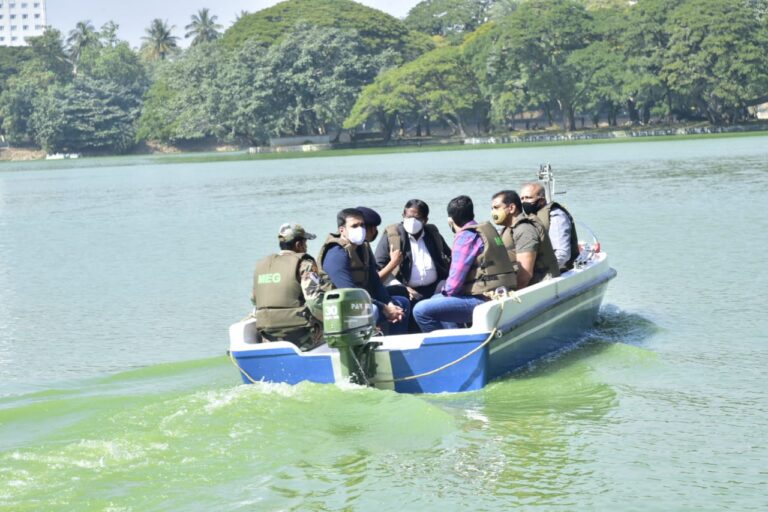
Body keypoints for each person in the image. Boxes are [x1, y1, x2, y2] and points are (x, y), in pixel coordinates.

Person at [413, 195, 517, 333]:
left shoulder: (465, 237)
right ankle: (454, 335)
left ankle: (447, 346)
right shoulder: (485, 231)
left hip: (483, 298)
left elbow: (453, 286)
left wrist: (444, 290)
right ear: (472, 214)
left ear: (450, 220)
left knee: (420, 310)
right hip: (502, 293)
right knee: (436, 299)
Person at [318, 208, 410, 335]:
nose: (360, 229)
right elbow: (350, 292)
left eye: (362, 225)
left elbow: (376, 282)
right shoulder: (336, 253)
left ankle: (396, 346)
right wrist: (384, 307)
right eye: (354, 226)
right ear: (342, 230)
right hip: (341, 307)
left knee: (401, 303)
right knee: (373, 309)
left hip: (362, 301)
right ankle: (367, 348)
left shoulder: (363, 248)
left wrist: (389, 304)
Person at [251, 223, 333, 351]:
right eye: (305, 243)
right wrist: (332, 321)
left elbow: (254, 299)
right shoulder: (305, 264)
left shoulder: (261, 265)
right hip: (303, 336)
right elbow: (314, 301)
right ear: (298, 245)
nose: (306, 247)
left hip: (269, 337)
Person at [375, 199, 451, 303]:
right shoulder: (392, 236)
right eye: (409, 217)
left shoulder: (433, 234)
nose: (412, 221)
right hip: (406, 290)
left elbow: (451, 256)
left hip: (435, 288)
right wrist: (402, 286)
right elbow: (378, 267)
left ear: (425, 220)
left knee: (449, 289)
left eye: (417, 218)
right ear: (403, 215)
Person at [491, 190, 560, 289]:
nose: (493, 212)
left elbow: (525, 276)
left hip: (538, 287)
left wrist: (511, 295)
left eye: (496, 208)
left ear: (511, 208)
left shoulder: (524, 230)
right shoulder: (510, 228)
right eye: (492, 208)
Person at [520, 182, 580, 271]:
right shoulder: (528, 216)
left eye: (528, 198)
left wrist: (537, 269)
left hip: (557, 268)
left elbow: (562, 254)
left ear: (541, 200)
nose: (524, 201)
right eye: (522, 198)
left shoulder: (555, 216)